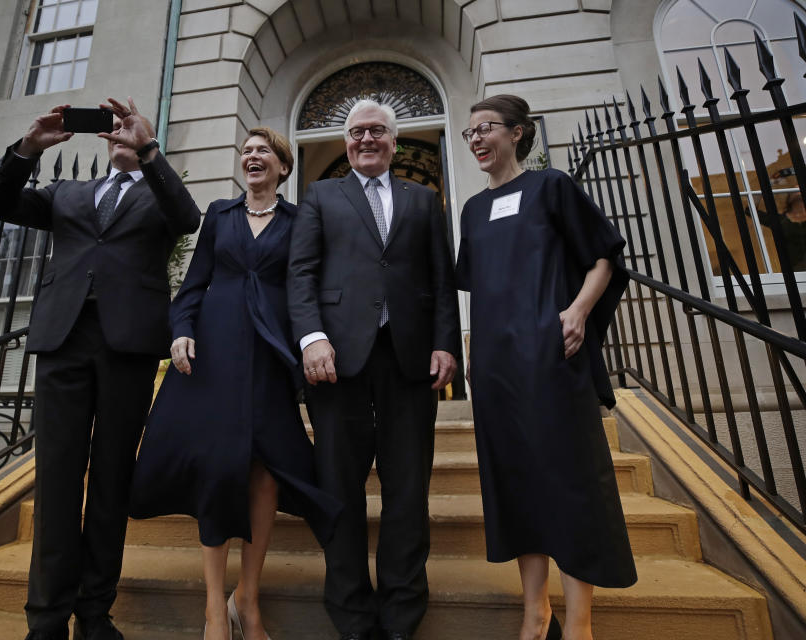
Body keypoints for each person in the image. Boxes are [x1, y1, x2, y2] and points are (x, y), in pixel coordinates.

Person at [0, 97, 201, 640]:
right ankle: (47, 619)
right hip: (63, 342)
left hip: (127, 348)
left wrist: (149, 148)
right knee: (56, 481)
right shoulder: (66, 194)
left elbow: (188, 218)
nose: (121, 134)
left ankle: (94, 612)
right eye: (117, 129)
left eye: (132, 129)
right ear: (102, 141)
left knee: (110, 482)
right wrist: (29, 146)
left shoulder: (157, 192)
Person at [129, 127, 342, 640]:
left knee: (267, 471)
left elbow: (306, 285)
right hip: (214, 350)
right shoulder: (219, 215)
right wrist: (180, 332)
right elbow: (193, 283)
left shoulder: (299, 220)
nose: (251, 157)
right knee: (218, 470)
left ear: (282, 167)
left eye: (262, 151)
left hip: (269, 353)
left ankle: (247, 597)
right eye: (245, 151)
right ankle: (211, 609)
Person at [455, 94, 637, 640]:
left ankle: (579, 620)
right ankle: (536, 612)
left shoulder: (550, 186)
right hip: (495, 367)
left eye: (486, 128)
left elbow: (604, 256)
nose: (476, 140)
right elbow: (481, 288)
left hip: (553, 358)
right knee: (514, 484)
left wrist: (578, 310)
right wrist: (470, 350)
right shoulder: (472, 209)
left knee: (570, 481)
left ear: (517, 133)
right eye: (469, 134)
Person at [287, 99, 461, 640]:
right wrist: (312, 338)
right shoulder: (321, 195)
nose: (367, 139)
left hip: (409, 360)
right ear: (345, 142)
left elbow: (441, 279)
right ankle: (352, 615)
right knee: (339, 488)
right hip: (336, 362)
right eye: (357, 131)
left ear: (394, 140)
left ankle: (402, 614)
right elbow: (302, 273)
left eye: (377, 131)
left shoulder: (424, 199)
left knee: (408, 490)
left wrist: (446, 344)